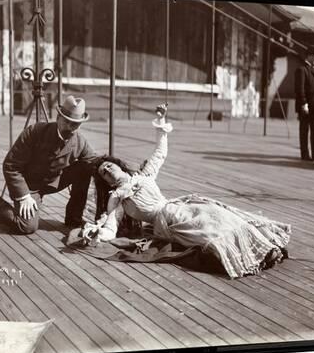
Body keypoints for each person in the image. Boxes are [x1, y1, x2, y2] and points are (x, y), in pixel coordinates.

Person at [79, 104, 291, 279]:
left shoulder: (144, 175)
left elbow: (160, 153)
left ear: (119, 165)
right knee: (208, 233)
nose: (107, 170)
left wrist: (161, 122)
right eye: (104, 172)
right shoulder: (117, 199)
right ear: (105, 181)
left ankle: (267, 247)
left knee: (221, 215)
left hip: (179, 206)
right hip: (166, 223)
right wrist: (98, 234)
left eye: (109, 165)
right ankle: (252, 256)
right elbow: (111, 227)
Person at [0, 95, 98, 234]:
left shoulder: (79, 141)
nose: (70, 128)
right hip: (29, 186)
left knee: (86, 167)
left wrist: (118, 173)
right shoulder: (35, 132)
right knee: (27, 226)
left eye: (75, 124)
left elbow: (94, 161)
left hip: (54, 181)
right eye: (67, 122)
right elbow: (11, 165)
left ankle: (73, 218)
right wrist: (24, 196)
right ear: (58, 118)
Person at [294, 45, 314, 160]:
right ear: (309, 56)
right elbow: (300, 88)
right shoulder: (302, 69)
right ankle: (304, 154)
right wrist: (303, 103)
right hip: (306, 105)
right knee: (304, 129)